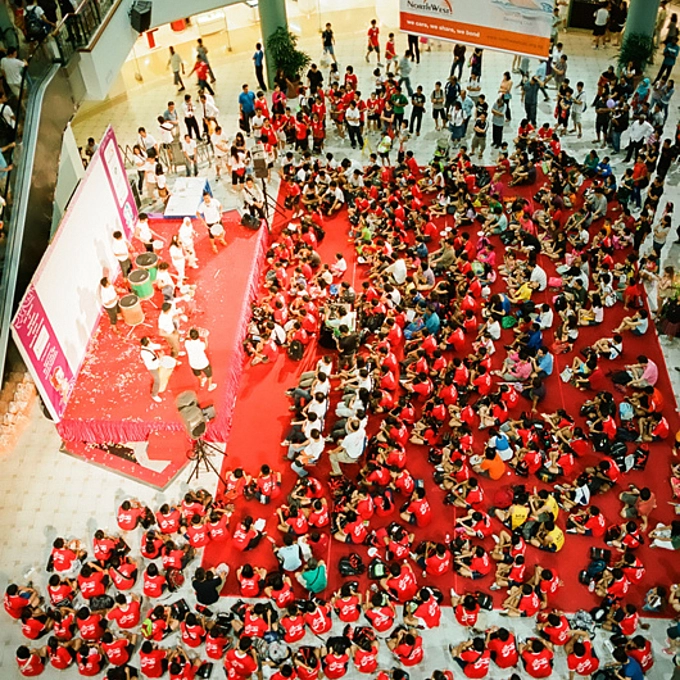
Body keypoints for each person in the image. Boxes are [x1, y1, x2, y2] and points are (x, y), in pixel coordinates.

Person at [140, 337, 163, 403]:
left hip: (156, 363)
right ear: (147, 343)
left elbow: (153, 346)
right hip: (152, 367)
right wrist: (160, 358)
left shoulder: (146, 346)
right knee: (157, 380)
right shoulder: (145, 354)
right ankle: (154, 395)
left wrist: (161, 346)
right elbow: (153, 362)